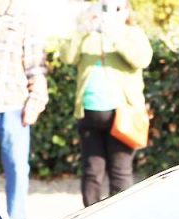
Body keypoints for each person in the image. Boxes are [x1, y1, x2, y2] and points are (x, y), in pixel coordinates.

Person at [64, 0, 152, 207]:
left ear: (126, 11)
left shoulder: (132, 34)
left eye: (117, 8)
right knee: (92, 172)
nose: (110, 12)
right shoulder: (88, 35)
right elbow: (67, 57)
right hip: (89, 113)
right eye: (105, 7)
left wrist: (114, 33)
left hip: (123, 116)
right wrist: (81, 29)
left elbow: (141, 59)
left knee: (120, 172)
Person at [0, 0, 47, 219]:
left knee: (16, 169)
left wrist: (36, 101)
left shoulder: (24, 18)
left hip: (13, 106)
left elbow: (36, 68)